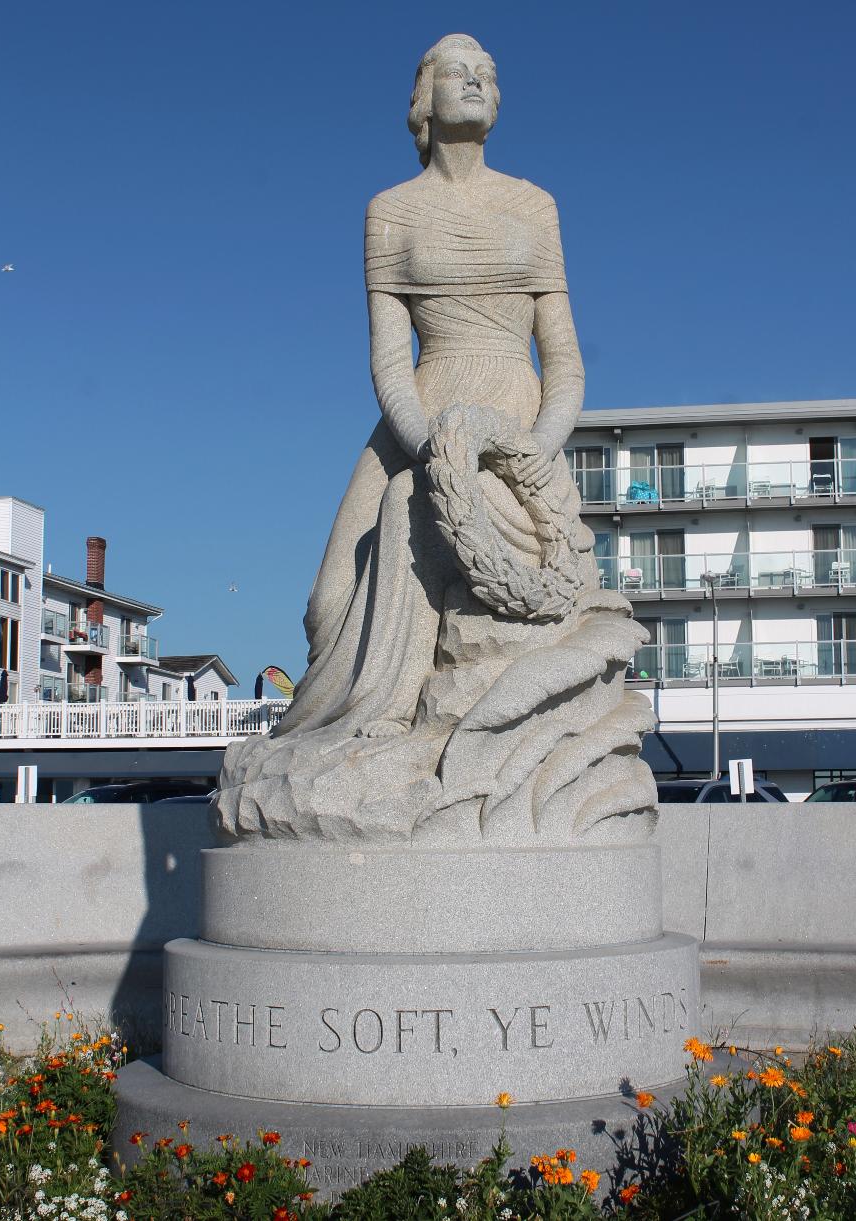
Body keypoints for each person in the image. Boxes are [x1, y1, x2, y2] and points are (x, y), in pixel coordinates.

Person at [270, 33, 591, 743]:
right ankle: (344, 731)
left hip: (514, 410)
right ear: (425, 96)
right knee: (327, 606)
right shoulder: (389, 209)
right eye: (458, 71)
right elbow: (388, 360)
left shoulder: (535, 205)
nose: (475, 81)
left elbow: (564, 358)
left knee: (413, 519)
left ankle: (400, 717)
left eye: (487, 74)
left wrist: (534, 450)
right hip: (419, 405)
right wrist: (431, 447)